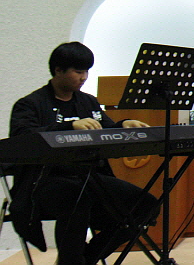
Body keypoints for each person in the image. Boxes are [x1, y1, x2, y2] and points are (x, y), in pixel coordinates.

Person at [7, 41, 160, 265]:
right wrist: (68, 127)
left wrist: (124, 125)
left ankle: (83, 259)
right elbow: (22, 139)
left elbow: (106, 129)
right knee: (77, 198)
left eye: (86, 71)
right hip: (44, 182)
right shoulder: (30, 104)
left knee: (145, 205)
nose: (84, 77)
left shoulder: (88, 102)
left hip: (89, 178)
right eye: (78, 71)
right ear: (58, 70)